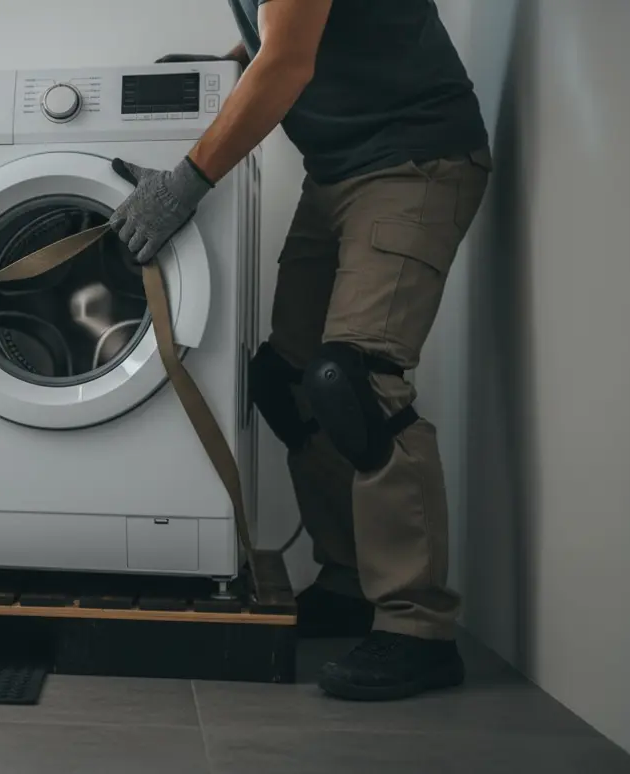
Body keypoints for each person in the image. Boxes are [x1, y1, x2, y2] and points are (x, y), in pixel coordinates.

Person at [110, 0, 489, 701]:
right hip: (338, 171)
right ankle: (348, 582)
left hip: (413, 160)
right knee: (285, 383)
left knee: (358, 382)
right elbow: (285, 29)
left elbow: (287, 60)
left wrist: (181, 188)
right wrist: (227, 66)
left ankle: (418, 628)